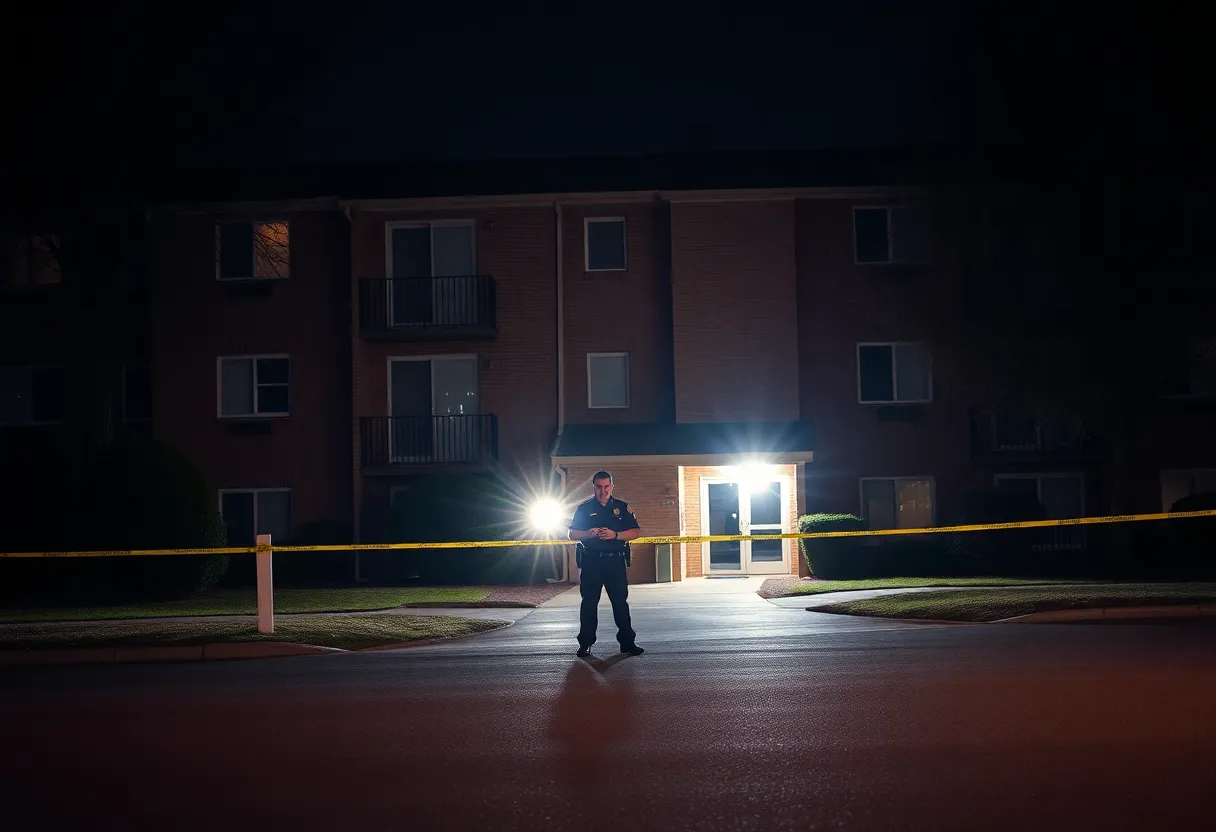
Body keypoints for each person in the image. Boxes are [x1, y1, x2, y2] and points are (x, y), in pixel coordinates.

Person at [567, 470, 645, 657]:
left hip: (615, 561)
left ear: (612, 486)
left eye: (606, 486)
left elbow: (635, 532)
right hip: (591, 561)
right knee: (589, 603)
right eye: (599, 487)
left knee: (620, 603)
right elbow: (572, 534)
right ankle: (585, 644)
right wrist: (589, 533)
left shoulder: (621, 507)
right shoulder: (584, 508)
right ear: (593, 487)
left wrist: (615, 535)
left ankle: (627, 643)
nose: (603, 491)